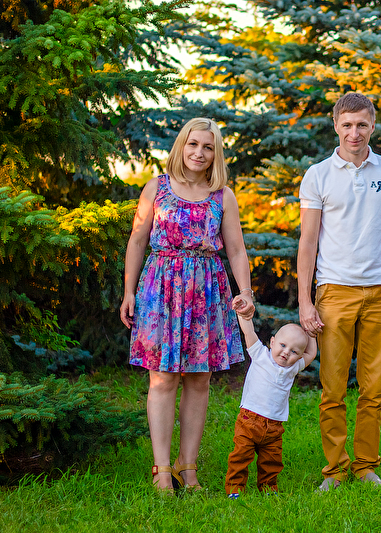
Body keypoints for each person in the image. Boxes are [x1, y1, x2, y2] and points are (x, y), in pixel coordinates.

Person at [297, 92, 381, 491]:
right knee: (333, 389)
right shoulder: (318, 175)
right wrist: (305, 301)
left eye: (362, 125)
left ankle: (366, 466)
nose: (355, 133)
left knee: (374, 388)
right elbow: (308, 241)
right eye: (347, 125)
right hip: (334, 291)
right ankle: (335, 470)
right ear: (336, 126)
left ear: (373, 126)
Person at [120, 117, 255, 491]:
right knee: (162, 377)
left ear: (216, 153)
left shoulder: (222, 195)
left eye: (208, 147)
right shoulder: (156, 187)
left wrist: (246, 292)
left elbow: (236, 250)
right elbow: (137, 241)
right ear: (182, 146)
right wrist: (128, 291)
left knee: (199, 379)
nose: (199, 152)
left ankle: (188, 467)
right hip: (161, 289)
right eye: (193, 144)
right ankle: (162, 469)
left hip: (207, 291)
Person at [224, 314, 318, 498]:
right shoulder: (260, 355)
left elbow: (311, 354)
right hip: (249, 421)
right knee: (241, 456)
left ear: (299, 356)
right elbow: (248, 332)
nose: (286, 352)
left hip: (274, 426)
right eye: (283, 345)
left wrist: (311, 334)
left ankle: (268, 488)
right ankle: (235, 488)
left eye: (294, 351)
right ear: (272, 342)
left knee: (272, 460)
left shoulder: (292, 368)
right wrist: (243, 313)